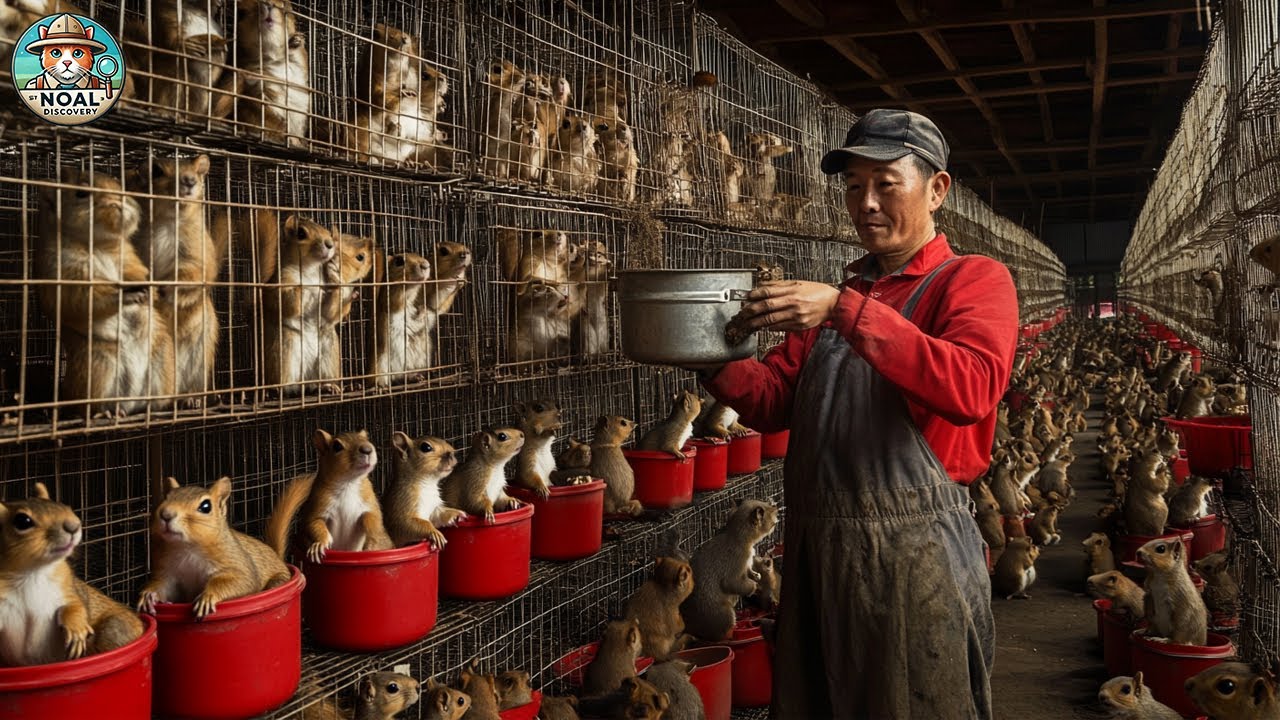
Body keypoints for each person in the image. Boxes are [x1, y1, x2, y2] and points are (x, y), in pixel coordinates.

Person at [696, 109, 1019, 719]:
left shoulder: (972, 281)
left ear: (937, 189)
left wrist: (845, 311)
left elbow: (972, 387)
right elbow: (771, 401)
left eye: (885, 183)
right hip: (819, 554)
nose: (865, 202)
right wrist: (706, 351)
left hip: (916, 558)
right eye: (852, 187)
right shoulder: (844, 295)